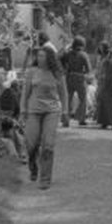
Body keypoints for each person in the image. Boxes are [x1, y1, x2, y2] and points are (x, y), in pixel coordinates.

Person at [20, 44, 68, 190]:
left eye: (42, 56)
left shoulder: (57, 73)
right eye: (38, 56)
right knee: (31, 144)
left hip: (52, 112)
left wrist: (65, 112)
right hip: (33, 111)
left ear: (49, 58)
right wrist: (23, 110)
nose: (39, 58)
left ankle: (45, 178)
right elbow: (25, 93)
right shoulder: (31, 72)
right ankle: (33, 166)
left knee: (48, 145)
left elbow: (63, 94)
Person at [63, 36, 92, 127]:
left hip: (70, 77)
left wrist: (66, 70)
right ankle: (81, 119)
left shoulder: (68, 54)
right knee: (82, 99)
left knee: (68, 98)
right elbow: (88, 69)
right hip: (79, 77)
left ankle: (66, 120)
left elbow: (61, 61)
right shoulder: (83, 55)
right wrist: (83, 73)